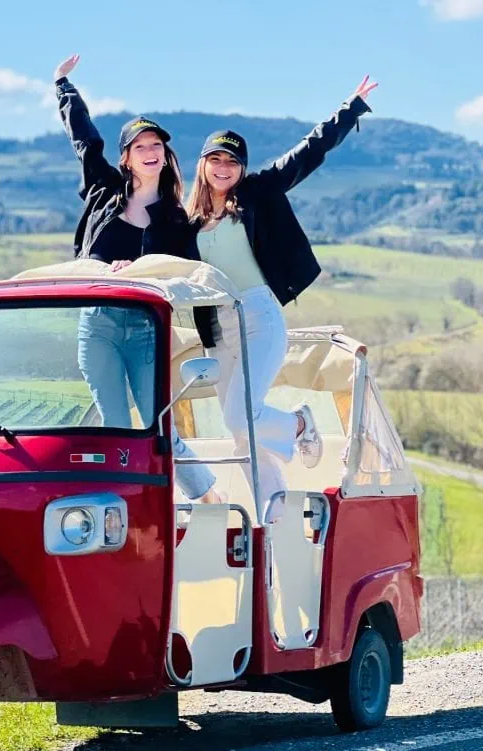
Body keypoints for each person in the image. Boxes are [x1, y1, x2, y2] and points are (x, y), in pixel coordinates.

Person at [186, 76, 378, 522]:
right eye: (215, 159)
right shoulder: (189, 216)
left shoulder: (257, 194)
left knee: (240, 417)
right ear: (202, 164)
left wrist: (350, 109)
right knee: (244, 436)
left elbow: (307, 153)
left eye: (232, 161)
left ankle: (298, 424)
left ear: (241, 167)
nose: (223, 167)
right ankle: (272, 519)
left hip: (258, 315)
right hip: (216, 328)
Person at [54, 53, 220, 504]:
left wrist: (213, 341)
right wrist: (63, 87)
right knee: (113, 425)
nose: (151, 153)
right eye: (141, 147)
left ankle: (207, 499)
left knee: (156, 424)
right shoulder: (104, 191)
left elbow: (193, 279)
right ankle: (121, 508)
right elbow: (85, 140)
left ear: (166, 157)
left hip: (146, 330)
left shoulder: (174, 221)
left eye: (157, 147)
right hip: (98, 325)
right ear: (127, 158)